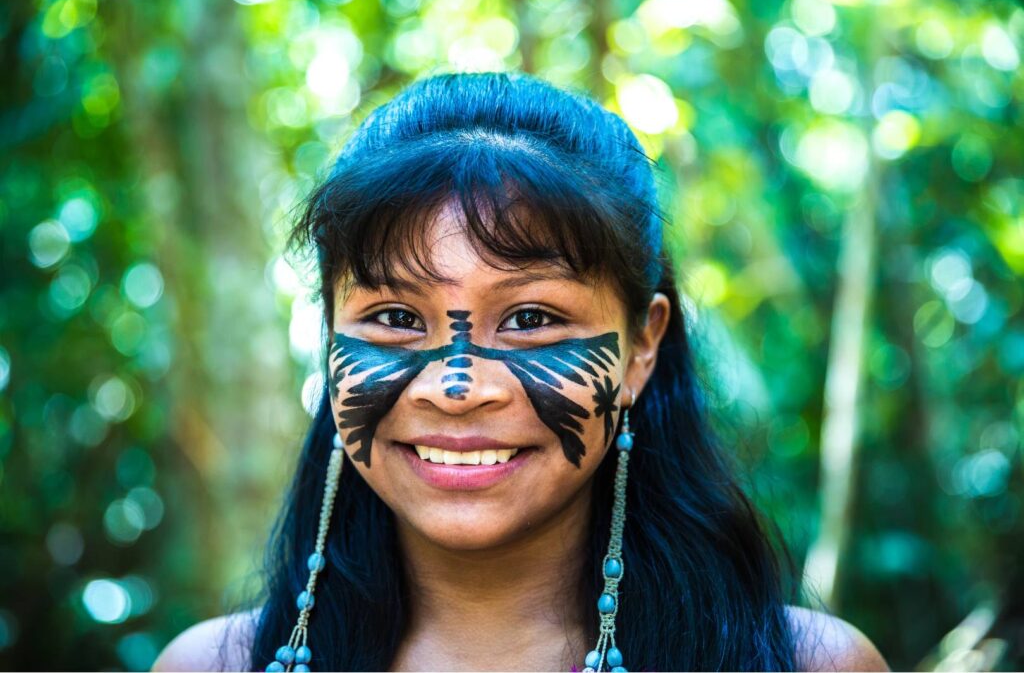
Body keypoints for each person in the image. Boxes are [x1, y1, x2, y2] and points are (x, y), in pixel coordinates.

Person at [153, 71, 888, 672]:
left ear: (641, 348)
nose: (457, 386)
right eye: (398, 319)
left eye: (531, 319)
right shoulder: (208, 667)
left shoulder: (809, 665)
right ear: (329, 337)